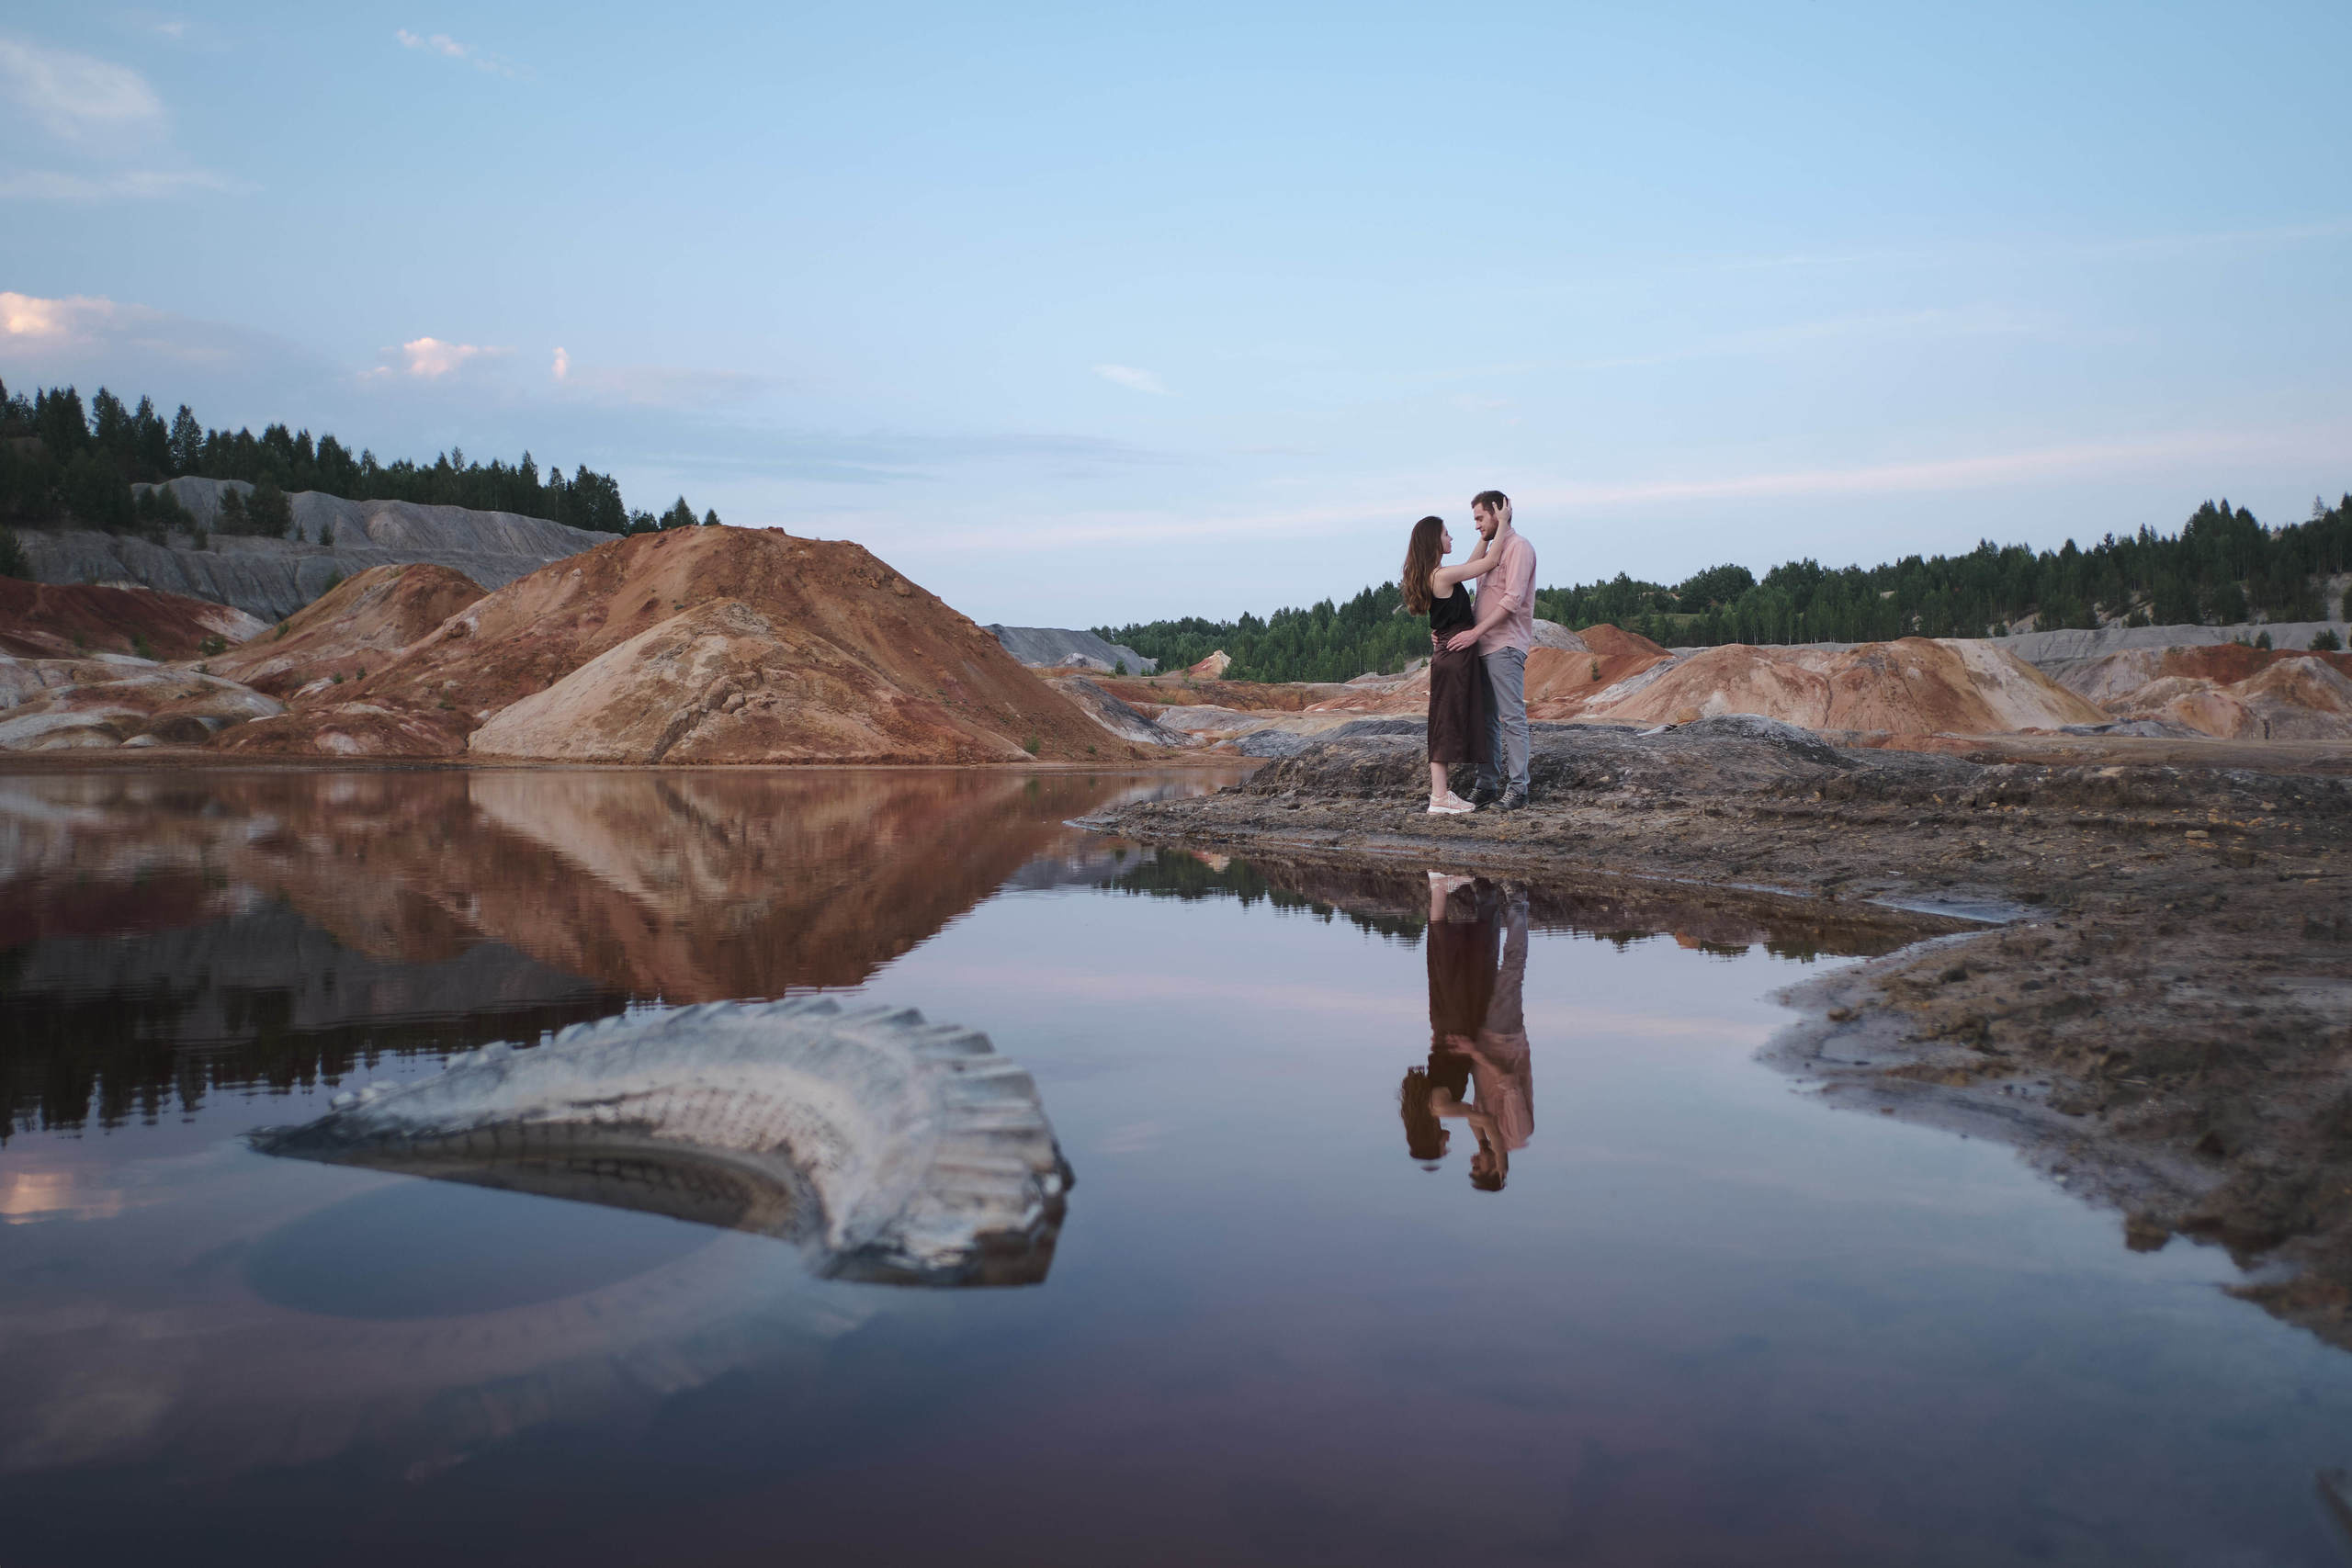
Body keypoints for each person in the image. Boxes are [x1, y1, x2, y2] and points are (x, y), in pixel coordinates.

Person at [1442, 491, 1536, 810]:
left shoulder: (1519, 547)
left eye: (1481, 518)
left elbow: (1512, 601)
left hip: (1505, 644)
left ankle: (1518, 790)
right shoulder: (1492, 551)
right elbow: (1471, 578)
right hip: (1481, 646)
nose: (1477, 525)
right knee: (1485, 720)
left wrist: (1474, 633)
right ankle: (1486, 785)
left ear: (1499, 512)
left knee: (1511, 718)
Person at [1399, 514, 1500, 813]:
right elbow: (1489, 562)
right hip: (1454, 655)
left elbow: (1469, 567)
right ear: (1434, 541)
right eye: (1446, 534)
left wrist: (1484, 536)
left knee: (1444, 723)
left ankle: (1441, 796)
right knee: (1443, 726)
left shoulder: (1439, 574)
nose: (1451, 538)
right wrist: (1501, 524)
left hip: (1452, 652)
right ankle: (1440, 797)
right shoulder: (1440, 576)